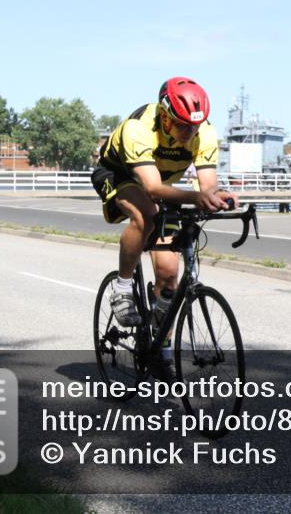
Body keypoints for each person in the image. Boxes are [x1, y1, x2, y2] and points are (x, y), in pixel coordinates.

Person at [91, 77, 238, 378]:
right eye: (183, 125)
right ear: (164, 115)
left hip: (159, 183)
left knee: (170, 276)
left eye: (195, 126)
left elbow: (207, 186)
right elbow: (153, 189)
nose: (190, 132)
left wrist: (217, 197)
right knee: (146, 213)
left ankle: (161, 349)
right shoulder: (138, 129)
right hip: (118, 175)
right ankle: (122, 288)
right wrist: (197, 196)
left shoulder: (204, 134)